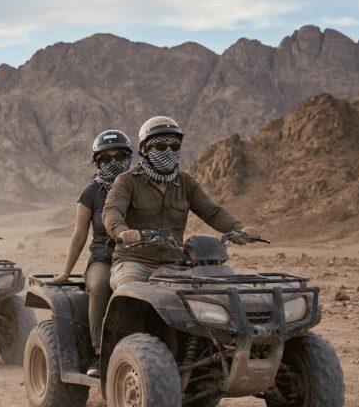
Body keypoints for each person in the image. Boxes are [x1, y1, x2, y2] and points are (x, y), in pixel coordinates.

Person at [103, 116, 258, 290]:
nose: (168, 151)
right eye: (161, 146)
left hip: (174, 265)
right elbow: (112, 210)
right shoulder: (127, 181)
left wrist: (239, 228)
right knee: (130, 292)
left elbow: (212, 211)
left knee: (204, 296)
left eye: (174, 146)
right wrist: (122, 231)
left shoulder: (185, 182)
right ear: (145, 149)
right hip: (134, 262)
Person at [52, 130, 133, 376]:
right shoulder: (91, 192)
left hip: (137, 257)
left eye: (119, 156)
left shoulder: (138, 186)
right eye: (106, 158)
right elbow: (79, 235)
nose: (113, 162)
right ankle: (99, 353)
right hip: (103, 258)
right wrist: (66, 271)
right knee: (99, 285)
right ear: (97, 161)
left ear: (129, 157)